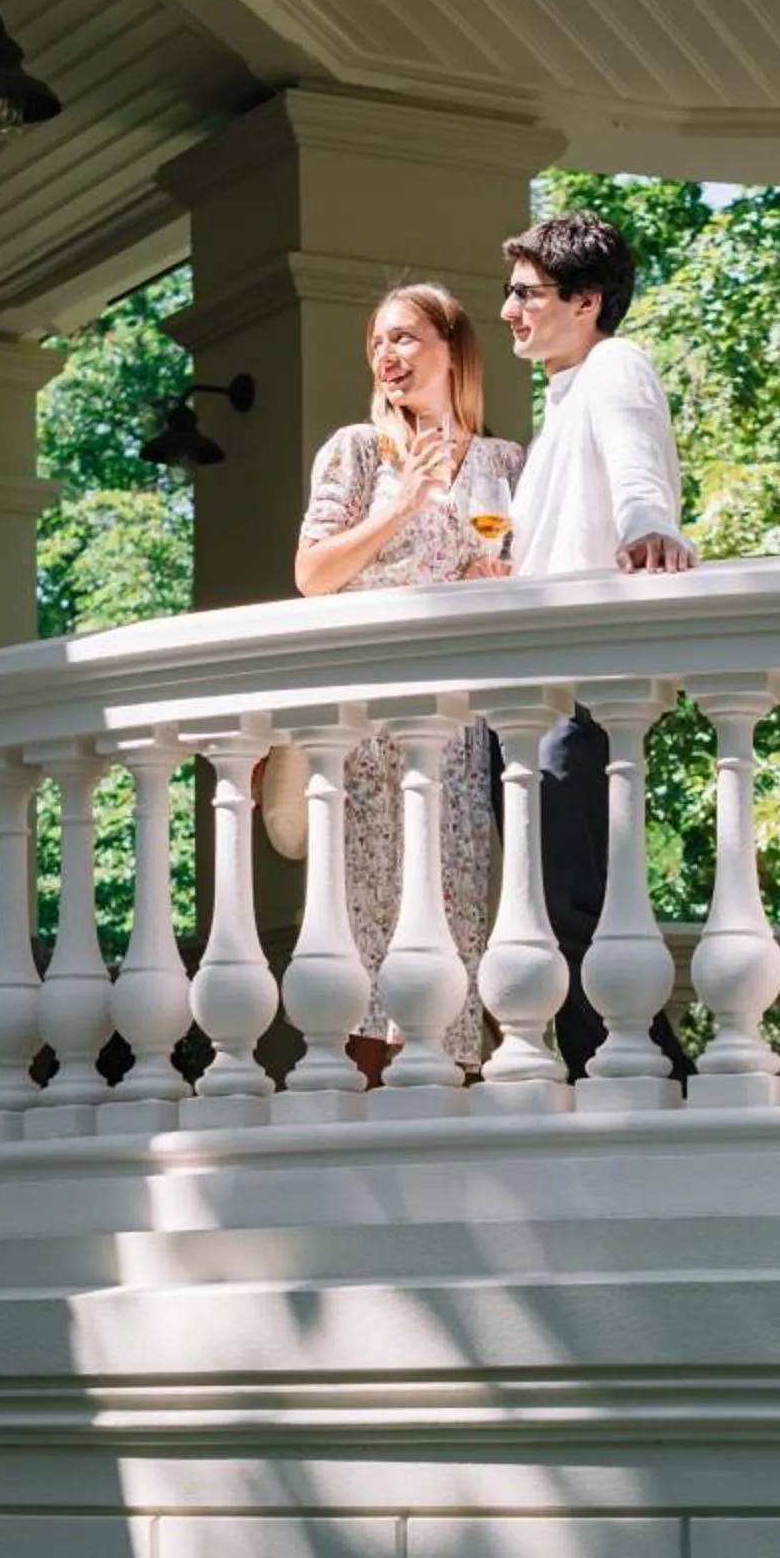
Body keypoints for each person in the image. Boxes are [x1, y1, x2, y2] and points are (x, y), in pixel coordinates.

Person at [286, 283, 522, 1077]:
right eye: (378, 342)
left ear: (454, 348)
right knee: (365, 923)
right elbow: (313, 574)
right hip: (365, 725)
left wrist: (501, 581)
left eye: (406, 339)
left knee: (449, 918)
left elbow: (516, 576)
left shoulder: (502, 463)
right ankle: (360, 1115)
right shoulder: (356, 450)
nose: (387, 356)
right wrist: (402, 505)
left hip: (457, 728)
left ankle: (441, 1113)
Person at [500, 210, 696, 1078]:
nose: (509, 308)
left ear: (585, 301)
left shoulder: (615, 365)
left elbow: (638, 465)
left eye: (526, 293)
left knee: (572, 900)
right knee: (560, 899)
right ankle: (615, 1070)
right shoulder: (563, 394)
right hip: (543, 682)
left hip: (580, 686)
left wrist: (650, 527)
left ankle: (651, 1078)